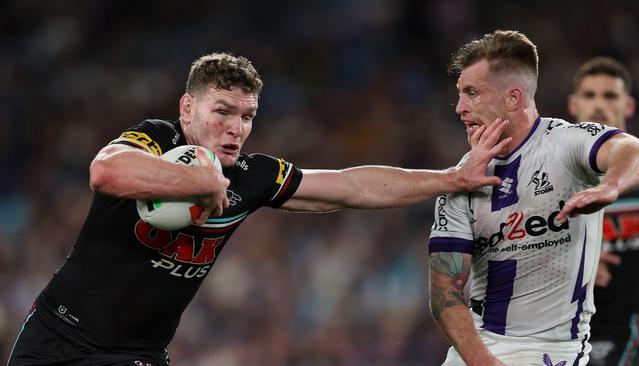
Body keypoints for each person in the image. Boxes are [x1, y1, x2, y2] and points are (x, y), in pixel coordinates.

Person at [8, 52, 511, 365]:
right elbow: (105, 172)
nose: (236, 127)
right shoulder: (155, 139)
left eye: (247, 116)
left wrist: (449, 177)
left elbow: (349, 186)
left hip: (134, 355)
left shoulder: (252, 176)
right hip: (55, 333)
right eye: (222, 111)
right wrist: (200, 181)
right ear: (188, 109)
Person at [427, 30, 639, 366]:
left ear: (513, 99)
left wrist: (611, 187)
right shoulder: (460, 179)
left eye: (471, 93)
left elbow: (635, 151)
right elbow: (445, 291)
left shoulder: (566, 144)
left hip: (552, 352)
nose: (459, 108)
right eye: (459, 94)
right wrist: (482, 361)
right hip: (475, 351)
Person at [568, 56, 639, 366]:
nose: (599, 104)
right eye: (589, 95)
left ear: (628, 106)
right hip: (555, 331)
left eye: (610, 95)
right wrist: (575, 256)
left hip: (624, 331)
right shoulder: (547, 177)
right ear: (574, 104)